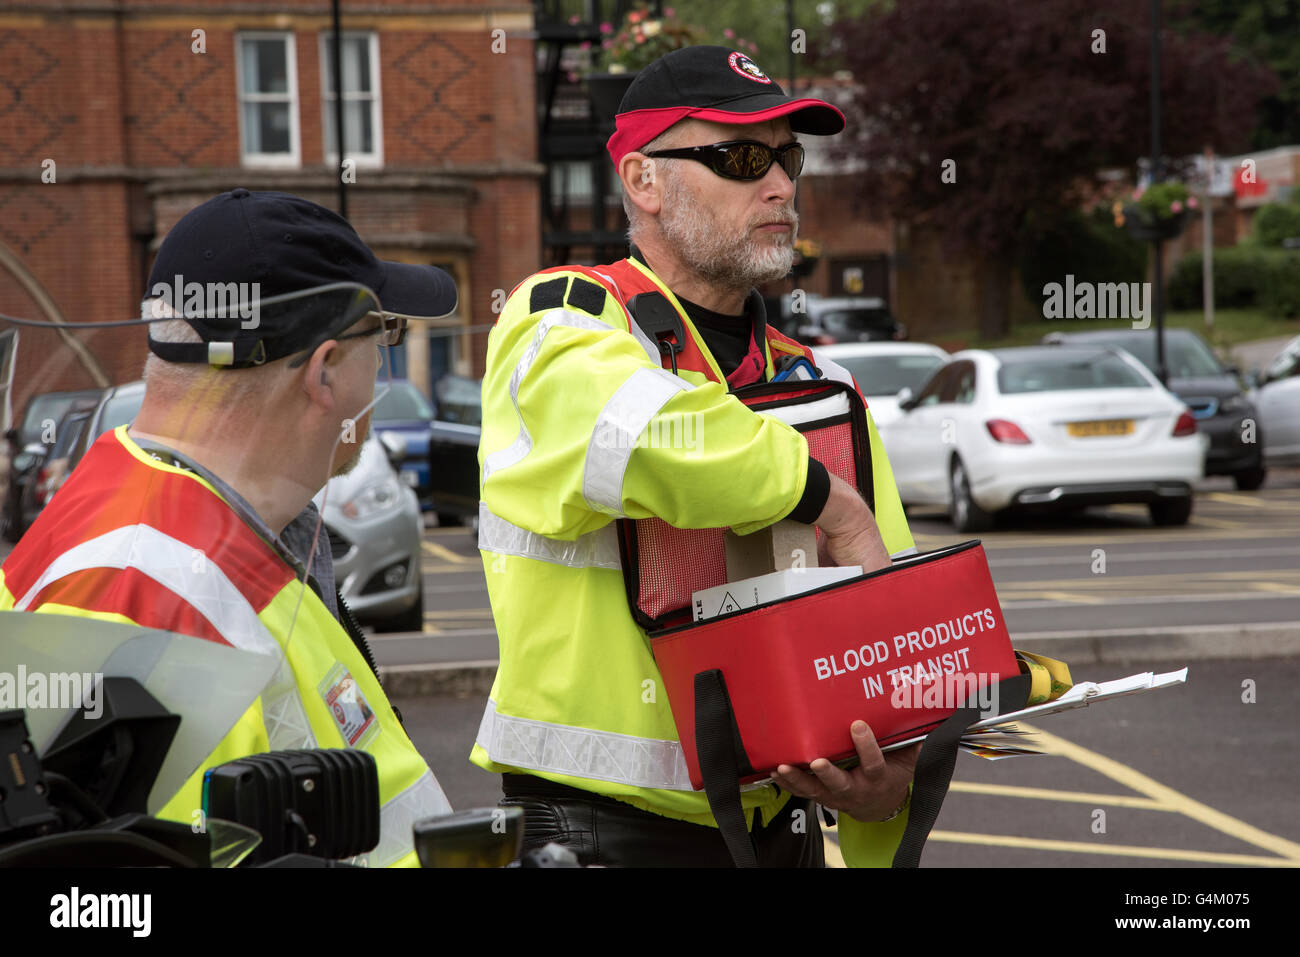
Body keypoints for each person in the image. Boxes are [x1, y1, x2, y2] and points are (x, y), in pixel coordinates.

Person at [472, 46, 921, 867]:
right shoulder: (559, 321)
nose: (781, 185)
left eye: (788, 157)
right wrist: (828, 501)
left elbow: (888, 646)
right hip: (598, 834)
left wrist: (883, 798)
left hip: (783, 836)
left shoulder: (822, 383)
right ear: (643, 180)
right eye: (743, 157)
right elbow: (652, 439)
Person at [0, 189, 459, 867]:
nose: (384, 366)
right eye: (385, 334)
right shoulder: (153, 599)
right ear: (324, 370)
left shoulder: (185, 529)